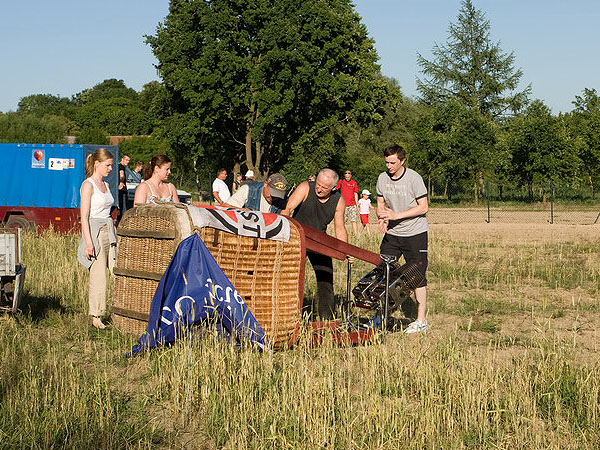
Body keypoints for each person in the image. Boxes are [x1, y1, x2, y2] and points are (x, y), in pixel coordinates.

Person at [282, 168, 348, 319]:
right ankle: (287, 314)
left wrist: (345, 250)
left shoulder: (339, 200)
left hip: (319, 241)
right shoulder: (305, 187)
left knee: (326, 279)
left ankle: (327, 319)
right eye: (318, 184)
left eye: (324, 187)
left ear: (334, 188)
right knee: (289, 277)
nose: (319, 189)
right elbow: (287, 209)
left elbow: (340, 227)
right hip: (297, 238)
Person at [376, 144, 429, 334]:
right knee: (384, 270)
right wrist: (381, 218)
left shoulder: (414, 179)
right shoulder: (382, 178)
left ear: (402, 161)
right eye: (386, 162)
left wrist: (396, 215)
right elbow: (380, 202)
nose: (389, 166)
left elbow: (423, 207)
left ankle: (421, 320)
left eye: (392, 162)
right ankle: (382, 313)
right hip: (393, 234)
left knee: (416, 275)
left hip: (415, 233)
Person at [77, 148, 117, 329]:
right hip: (95, 232)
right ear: (97, 164)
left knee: (117, 272)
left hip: (109, 230)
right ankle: (96, 315)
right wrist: (89, 243)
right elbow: (84, 216)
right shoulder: (88, 185)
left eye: (111, 165)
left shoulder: (107, 186)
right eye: (108, 165)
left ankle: (121, 311)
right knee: (99, 275)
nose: (110, 169)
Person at [224, 173, 288, 213]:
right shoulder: (248, 189)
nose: (274, 198)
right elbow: (225, 207)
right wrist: (244, 211)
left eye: (278, 196)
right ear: (265, 184)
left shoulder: (283, 199)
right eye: (272, 193)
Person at [117, 153, 130, 219]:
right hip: (122, 190)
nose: (128, 162)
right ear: (122, 159)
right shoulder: (121, 167)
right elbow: (121, 175)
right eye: (126, 160)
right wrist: (121, 182)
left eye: (128, 160)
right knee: (124, 206)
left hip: (119, 190)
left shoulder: (118, 166)